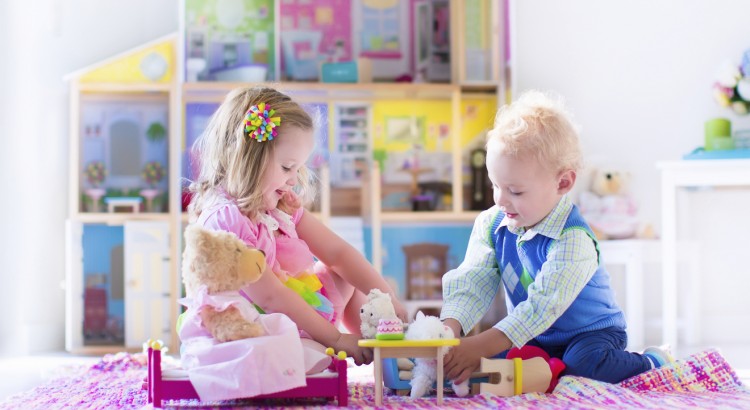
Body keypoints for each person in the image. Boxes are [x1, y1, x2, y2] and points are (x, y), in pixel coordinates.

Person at [440, 90, 673, 385]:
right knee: (491, 366)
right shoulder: (492, 224)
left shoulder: (574, 239)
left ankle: (651, 361)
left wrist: (480, 344)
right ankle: (549, 368)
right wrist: (449, 331)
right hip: (532, 333)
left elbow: (543, 305)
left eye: (516, 191)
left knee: (582, 364)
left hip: (590, 333)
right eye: (495, 185)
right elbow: (472, 280)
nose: (501, 199)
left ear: (562, 182)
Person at [187, 86, 407, 365]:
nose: (293, 179)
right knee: (303, 359)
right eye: (287, 167)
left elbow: (338, 253)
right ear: (248, 160)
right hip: (254, 326)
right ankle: (321, 345)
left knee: (341, 276)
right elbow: (270, 297)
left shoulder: (279, 206)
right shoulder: (225, 219)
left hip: (293, 311)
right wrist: (336, 339)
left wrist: (387, 299)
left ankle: (380, 346)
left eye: (298, 168)